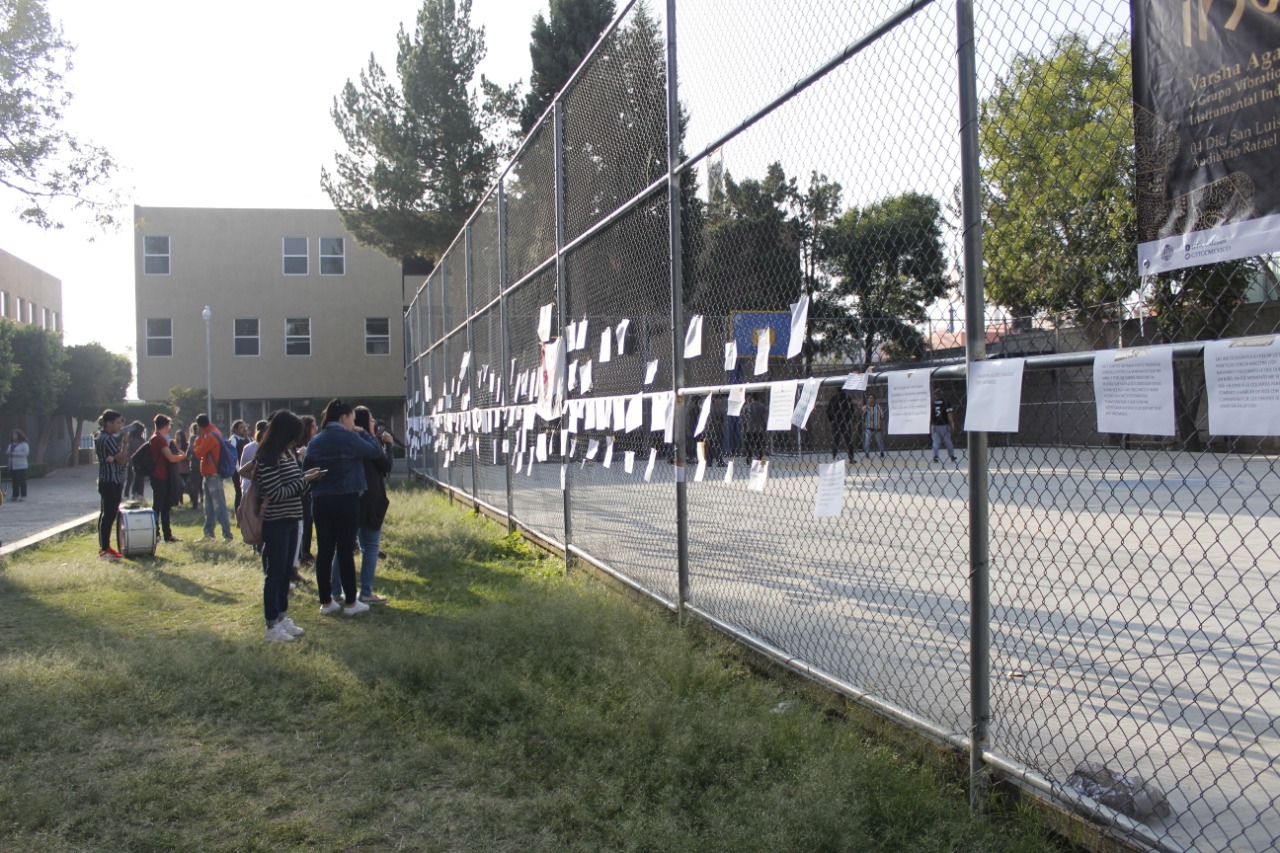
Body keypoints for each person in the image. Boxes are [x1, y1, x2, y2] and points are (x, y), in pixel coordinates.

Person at [254, 410, 326, 643]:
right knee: (275, 574)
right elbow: (275, 493)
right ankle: (271, 624)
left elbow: (294, 488)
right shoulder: (267, 457)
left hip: (292, 519)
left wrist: (309, 481)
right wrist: (302, 481)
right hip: (276, 522)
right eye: (294, 436)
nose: (296, 442)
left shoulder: (286, 454)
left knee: (285, 573)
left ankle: (282, 617)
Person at [305, 399, 383, 617]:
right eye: (351, 419)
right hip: (347, 498)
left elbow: (306, 469)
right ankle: (350, 601)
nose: (352, 422)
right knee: (345, 550)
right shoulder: (350, 438)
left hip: (320, 500)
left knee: (325, 551)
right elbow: (375, 452)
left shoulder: (316, 440)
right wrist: (363, 432)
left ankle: (326, 601)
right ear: (344, 418)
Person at [330, 406, 394, 605]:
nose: (374, 424)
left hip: (351, 498)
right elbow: (386, 464)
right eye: (372, 420)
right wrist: (388, 445)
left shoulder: (346, 440)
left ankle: (334, 592)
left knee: (344, 547)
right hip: (369, 499)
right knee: (370, 546)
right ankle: (366, 591)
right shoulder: (366, 441)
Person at [191, 414, 233, 541]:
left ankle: (227, 535)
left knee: (219, 506)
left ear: (199, 425)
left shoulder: (209, 436)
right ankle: (209, 533)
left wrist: (198, 438)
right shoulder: (215, 432)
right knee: (208, 507)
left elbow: (198, 452)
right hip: (209, 476)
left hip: (213, 476)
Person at [93, 410, 127, 561]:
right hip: (111, 481)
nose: (120, 425)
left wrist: (114, 456)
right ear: (109, 423)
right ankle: (105, 549)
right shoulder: (107, 438)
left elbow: (116, 457)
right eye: (118, 422)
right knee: (109, 515)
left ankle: (105, 547)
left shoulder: (100, 436)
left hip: (106, 480)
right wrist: (125, 443)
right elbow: (121, 459)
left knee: (106, 514)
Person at [148, 415, 185, 543]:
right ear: (165, 426)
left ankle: (164, 534)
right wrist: (182, 456)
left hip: (157, 476)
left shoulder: (153, 437)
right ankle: (159, 533)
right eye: (169, 426)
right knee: (159, 507)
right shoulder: (160, 440)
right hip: (161, 476)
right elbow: (171, 458)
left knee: (163, 507)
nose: (169, 428)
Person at [297, 415, 318, 565]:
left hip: (311, 487)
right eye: (313, 426)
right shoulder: (297, 445)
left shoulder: (314, 443)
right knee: (304, 522)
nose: (316, 429)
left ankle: (306, 551)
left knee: (309, 521)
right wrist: (301, 457)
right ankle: (302, 554)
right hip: (301, 489)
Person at [825, 390, 859, 460]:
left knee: (835, 440)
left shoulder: (833, 398)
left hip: (836, 421)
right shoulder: (847, 398)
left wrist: (831, 419)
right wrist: (854, 421)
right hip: (845, 421)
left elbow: (828, 411)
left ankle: (834, 457)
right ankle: (851, 458)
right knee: (848, 441)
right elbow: (851, 410)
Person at [930, 387, 957, 463]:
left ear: (935, 395)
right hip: (944, 424)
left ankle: (935, 456)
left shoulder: (932, 402)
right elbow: (949, 414)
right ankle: (951, 455)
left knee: (935, 441)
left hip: (934, 424)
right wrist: (952, 423)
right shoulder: (945, 402)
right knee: (947, 440)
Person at [230, 419, 250, 513]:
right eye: (241, 427)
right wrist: (239, 470)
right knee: (239, 493)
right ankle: (238, 515)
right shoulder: (234, 439)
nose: (244, 429)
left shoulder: (249, 439)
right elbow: (233, 456)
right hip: (238, 470)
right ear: (236, 430)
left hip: (248, 470)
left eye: (244, 427)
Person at [123, 422, 147, 501]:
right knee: (136, 478)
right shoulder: (140, 440)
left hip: (133, 461)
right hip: (136, 462)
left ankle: (130, 494)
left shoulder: (132, 439)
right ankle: (137, 494)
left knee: (132, 478)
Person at [741, 393, 767, 462]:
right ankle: (760, 457)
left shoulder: (748, 406)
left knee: (749, 444)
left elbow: (743, 416)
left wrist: (746, 422)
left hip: (750, 427)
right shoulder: (762, 406)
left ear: (752, 398)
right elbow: (765, 416)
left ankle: (749, 458)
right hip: (759, 428)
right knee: (759, 444)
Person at [6, 430, 29, 501]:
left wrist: (14, 454)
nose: (14, 437)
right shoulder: (11, 444)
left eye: (15, 435)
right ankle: (15, 495)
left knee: (22, 481)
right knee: (14, 481)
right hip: (13, 465)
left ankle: (23, 495)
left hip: (21, 465)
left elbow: (26, 453)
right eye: (13, 435)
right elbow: (7, 452)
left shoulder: (24, 444)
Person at [184, 423, 202, 509]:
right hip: (203, 464)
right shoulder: (205, 437)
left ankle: (195, 504)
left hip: (195, 464)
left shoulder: (193, 437)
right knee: (202, 485)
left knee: (195, 485)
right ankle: (203, 502)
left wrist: (187, 456)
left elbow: (190, 450)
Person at [863, 393, 886, 458]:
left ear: (874, 399)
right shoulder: (866, 407)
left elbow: (882, 417)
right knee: (867, 440)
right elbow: (862, 412)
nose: (870, 399)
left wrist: (883, 425)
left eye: (871, 398)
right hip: (869, 427)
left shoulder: (878, 407)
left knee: (879, 441)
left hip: (877, 427)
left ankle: (881, 452)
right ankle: (867, 453)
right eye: (869, 398)